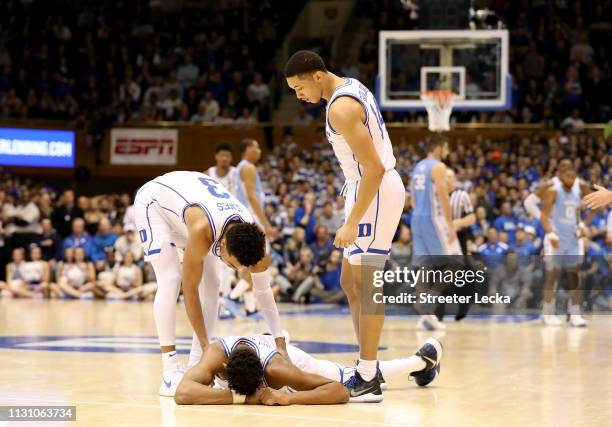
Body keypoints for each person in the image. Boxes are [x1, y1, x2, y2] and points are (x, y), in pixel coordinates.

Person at [285, 50, 404, 402]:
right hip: (363, 189)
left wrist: (352, 221)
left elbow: (375, 168)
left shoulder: (340, 107)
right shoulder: (348, 87)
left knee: (367, 284)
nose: (298, 95)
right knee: (349, 281)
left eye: (298, 87)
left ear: (316, 76)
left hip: (375, 190)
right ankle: (366, 364)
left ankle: (368, 376)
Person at [133, 171, 286, 397]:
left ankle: (196, 362)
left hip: (189, 201)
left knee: (213, 282)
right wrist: (208, 348)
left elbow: (263, 291)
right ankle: (170, 370)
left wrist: (279, 342)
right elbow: (191, 291)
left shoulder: (254, 238)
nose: (235, 269)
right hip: (155, 204)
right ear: (222, 243)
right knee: (172, 278)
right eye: (232, 264)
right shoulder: (202, 230)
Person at [174, 334, 442, 406]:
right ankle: (420, 365)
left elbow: (338, 393)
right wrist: (244, 397)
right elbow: (183, 393)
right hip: (270, 346)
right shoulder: (215, 355)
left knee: (356, 382)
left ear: (264, 379)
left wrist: (289, 397)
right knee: (358, 380)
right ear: (223, 368)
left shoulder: (278, 371)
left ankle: (421, 361)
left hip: (295, 362)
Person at [410, 135, 461, 331]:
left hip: (416, 218)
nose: (447, 152)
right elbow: (443, 196)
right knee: (455, 263)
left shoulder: (418, 166)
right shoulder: (438, 167)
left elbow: (413, 199)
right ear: (438, 148)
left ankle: (425, 316)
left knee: (425, 266)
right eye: (446, 148)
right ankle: (428, 303)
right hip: (433, 218)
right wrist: (449, 225)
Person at [226, 139, 277, 318]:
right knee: (263, 259)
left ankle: (249, 307)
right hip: (252, 217)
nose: (259, 150)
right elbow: (251, 197)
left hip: (244, 216)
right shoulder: (248, 167)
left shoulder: (239, 168)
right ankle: (232, 297)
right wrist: (266, 224)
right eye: (256, 147)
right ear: (248, 149)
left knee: (248, 264)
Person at [540, 159, 594, 327]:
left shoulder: (580, 189)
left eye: (573, 176)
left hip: (572, 239)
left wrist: (583, 225)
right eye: (567, 176)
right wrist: (551, 233)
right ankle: (547, 312)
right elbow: (544, 216)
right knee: (553, 275)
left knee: (574, 276)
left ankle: (575, 314)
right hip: (556, 238)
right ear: (561, 176)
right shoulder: (553, 191)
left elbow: (588, 209)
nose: (570, 179)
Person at [204, 143, 237, 318]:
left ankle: (224, 302)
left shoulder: (236, 174)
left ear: (231, 158)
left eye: (227, 156)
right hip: (211, 221)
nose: (224, 158)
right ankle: (211, 302)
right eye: (221, 155)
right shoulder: (207, 174)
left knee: (227, 264)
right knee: (210, 261)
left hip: (230, 222)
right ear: (216, 156)